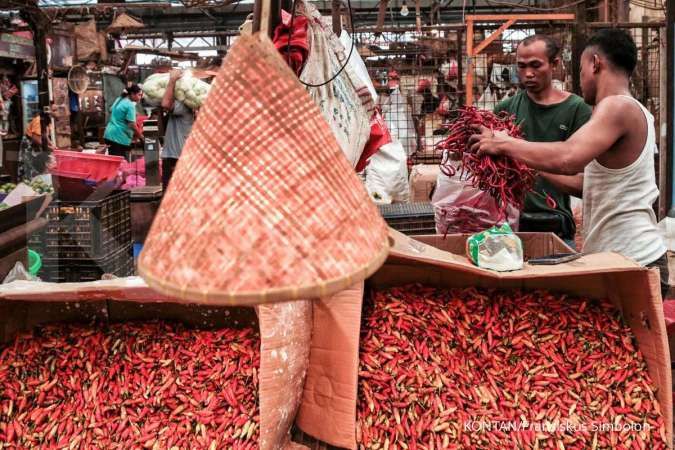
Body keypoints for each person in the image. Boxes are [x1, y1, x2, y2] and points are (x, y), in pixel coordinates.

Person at [470, 29, 669, 298]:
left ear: (595, 63)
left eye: (582, 69)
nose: (581, 79)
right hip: (622, 258)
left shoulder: (616, 107)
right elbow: (586, 184)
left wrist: (504, 144)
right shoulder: (631, 110)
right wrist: (530, 165)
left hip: (633, 260)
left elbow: (568, 157)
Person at [494, 34, 592, 248]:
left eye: (536, 65)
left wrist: (528, 163)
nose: (528, 73)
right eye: (521, 66)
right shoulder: (506, 110)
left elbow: (584, 182)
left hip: (555, 224)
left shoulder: (576, 110)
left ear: (554, 64)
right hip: (510, 225)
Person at [160, 69, 195, 191]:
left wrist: (172, 80)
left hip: (175, 158)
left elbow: (165, 103)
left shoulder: (185, 107)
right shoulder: (196, 107)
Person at [103, 84, 144, 159]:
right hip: (118, 137)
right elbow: (131, 124)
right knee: (119, 164)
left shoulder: (120, 99)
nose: (140, 97)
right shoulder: (130, 105)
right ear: (132, 94)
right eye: (139, 95)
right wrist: (141, 137)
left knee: (114, 161)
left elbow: (111, 110)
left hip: (109, 134)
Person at [18, 108, 56, 181]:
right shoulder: (38, 121)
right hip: (30, 144)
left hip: (37, 145)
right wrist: (49, 148)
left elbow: (45, 135)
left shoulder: (48, 121)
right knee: (29, 166)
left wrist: (51, 144)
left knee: (40, 165)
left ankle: (39, 182)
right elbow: (36, 138)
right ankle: (28, 183)